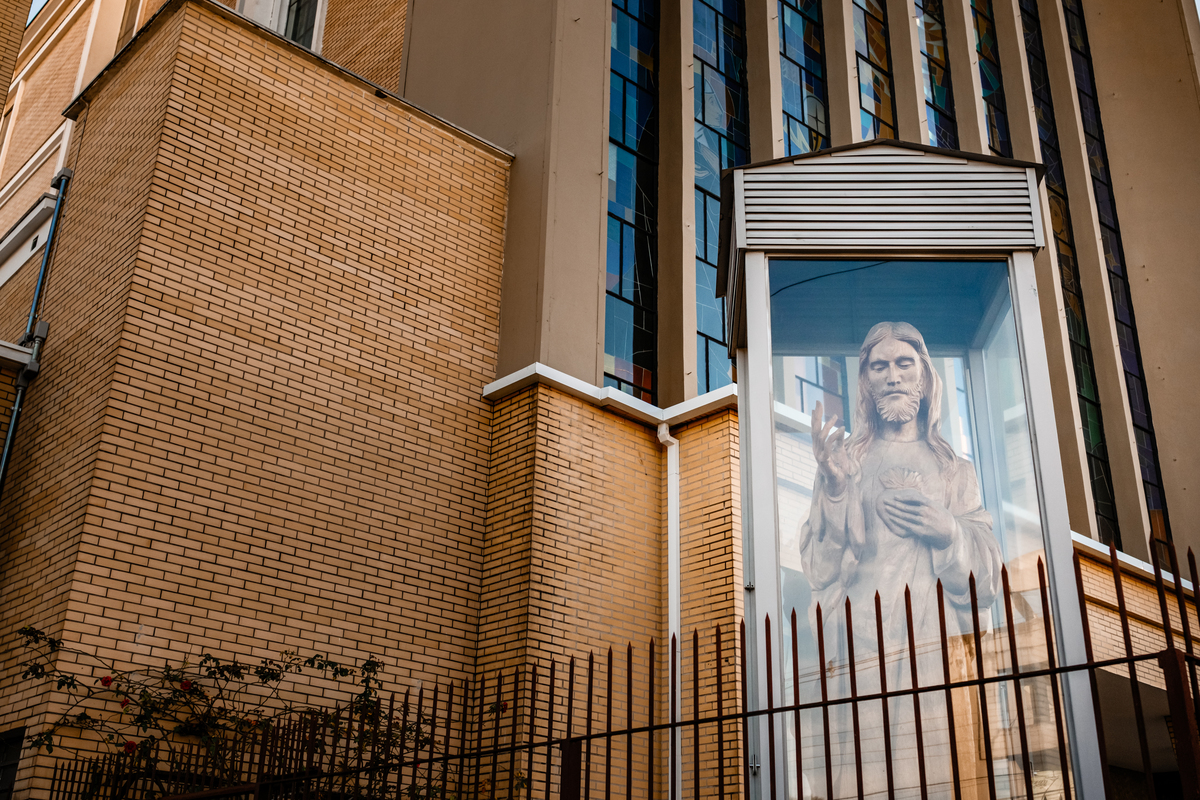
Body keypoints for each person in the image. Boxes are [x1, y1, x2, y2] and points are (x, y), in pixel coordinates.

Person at [799, 321, 1002, 798]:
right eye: (879, 366)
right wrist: (833, 487)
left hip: (931, 643)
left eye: (903, 364)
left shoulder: (954, 469)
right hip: (860, 641)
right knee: (865, 777)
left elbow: (989, 572)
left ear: (924, 376)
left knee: (934, 772)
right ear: (866, 382)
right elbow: (820, 568)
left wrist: (949, 531)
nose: (892, 376)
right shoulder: (846, 461)